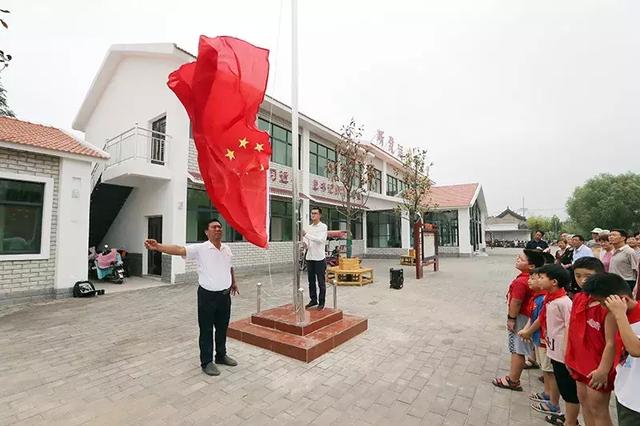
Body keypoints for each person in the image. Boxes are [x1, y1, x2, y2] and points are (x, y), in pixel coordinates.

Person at [144, 218, 239, 376]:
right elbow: (179, 249)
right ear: (206, 232)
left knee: (222, 328)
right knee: (206, 329)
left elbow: (229, 267)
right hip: (207, 296)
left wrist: (233, 282)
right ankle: (206, 362)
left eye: (220, 227)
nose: (218, 229)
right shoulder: (200, 249)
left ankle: (221, 355)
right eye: (214, 227)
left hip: (224, 296)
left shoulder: (226, 249)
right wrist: (158, 247)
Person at [583, 273, 640, 426]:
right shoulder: (615, 316)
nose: (602, 308)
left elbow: (635, 349)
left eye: (603, 303)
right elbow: (611, 344)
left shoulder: (624, 316)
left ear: (623, 299)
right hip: (625, 390)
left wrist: (619, 314)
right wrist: (603, 370)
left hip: (636, 400)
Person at [564, 257, 616, 426]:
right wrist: (567, 355)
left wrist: (603, 370)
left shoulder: (608, 304)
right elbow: (570, 329)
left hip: (598, 365)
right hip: (579, 362)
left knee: (598, 409)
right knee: (584, 403)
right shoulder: (579, 298)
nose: (582, 280)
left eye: (588, 275)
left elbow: (612, 342)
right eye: (577, 275)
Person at [533, 263, 579, 426]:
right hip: (553, 349)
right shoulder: (550, 299)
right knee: (561, 384)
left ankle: (571, 421)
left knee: (568, 390)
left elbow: (570, 327)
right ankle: (565, 416)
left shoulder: (564, 302)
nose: (538, 279)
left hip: (562, 353)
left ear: (554, 282)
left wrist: (567, 353)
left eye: (542, 277)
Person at [492, 249, 544, 391]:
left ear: (532, 266)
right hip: (529, 315)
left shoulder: (522, 281)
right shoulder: (532, 279)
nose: (517, 259)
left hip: (521, 317)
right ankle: (528, 364)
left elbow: (516, 302)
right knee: (522, 346)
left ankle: (513, 380)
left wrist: (511, 318)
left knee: (517, 348)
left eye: (521, 259)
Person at [518, 270, 561, 417]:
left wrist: (529, 331)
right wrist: (527, 330)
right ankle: (547, 393)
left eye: (536, 278)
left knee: (549, 371)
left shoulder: (546, 299)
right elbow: (533, 317)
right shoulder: (538, 298)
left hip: (545, 341)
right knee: (545, 369)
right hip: (539, 339)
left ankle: (552, 400)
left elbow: (541, 320)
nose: (529, 281)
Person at [303, 206, 328, 310]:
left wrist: (307, 235)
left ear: (320, 215)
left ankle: (321, 302)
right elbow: (306, 240)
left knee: (321, 282)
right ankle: (313, 300)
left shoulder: (323, 227)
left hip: (319, 258)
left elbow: (320, 240)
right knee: (311, 281)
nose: (313, 215)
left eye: (315, 213)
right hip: (310, 257)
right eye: (312, 213)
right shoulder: (309, 227)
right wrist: (305, 243)